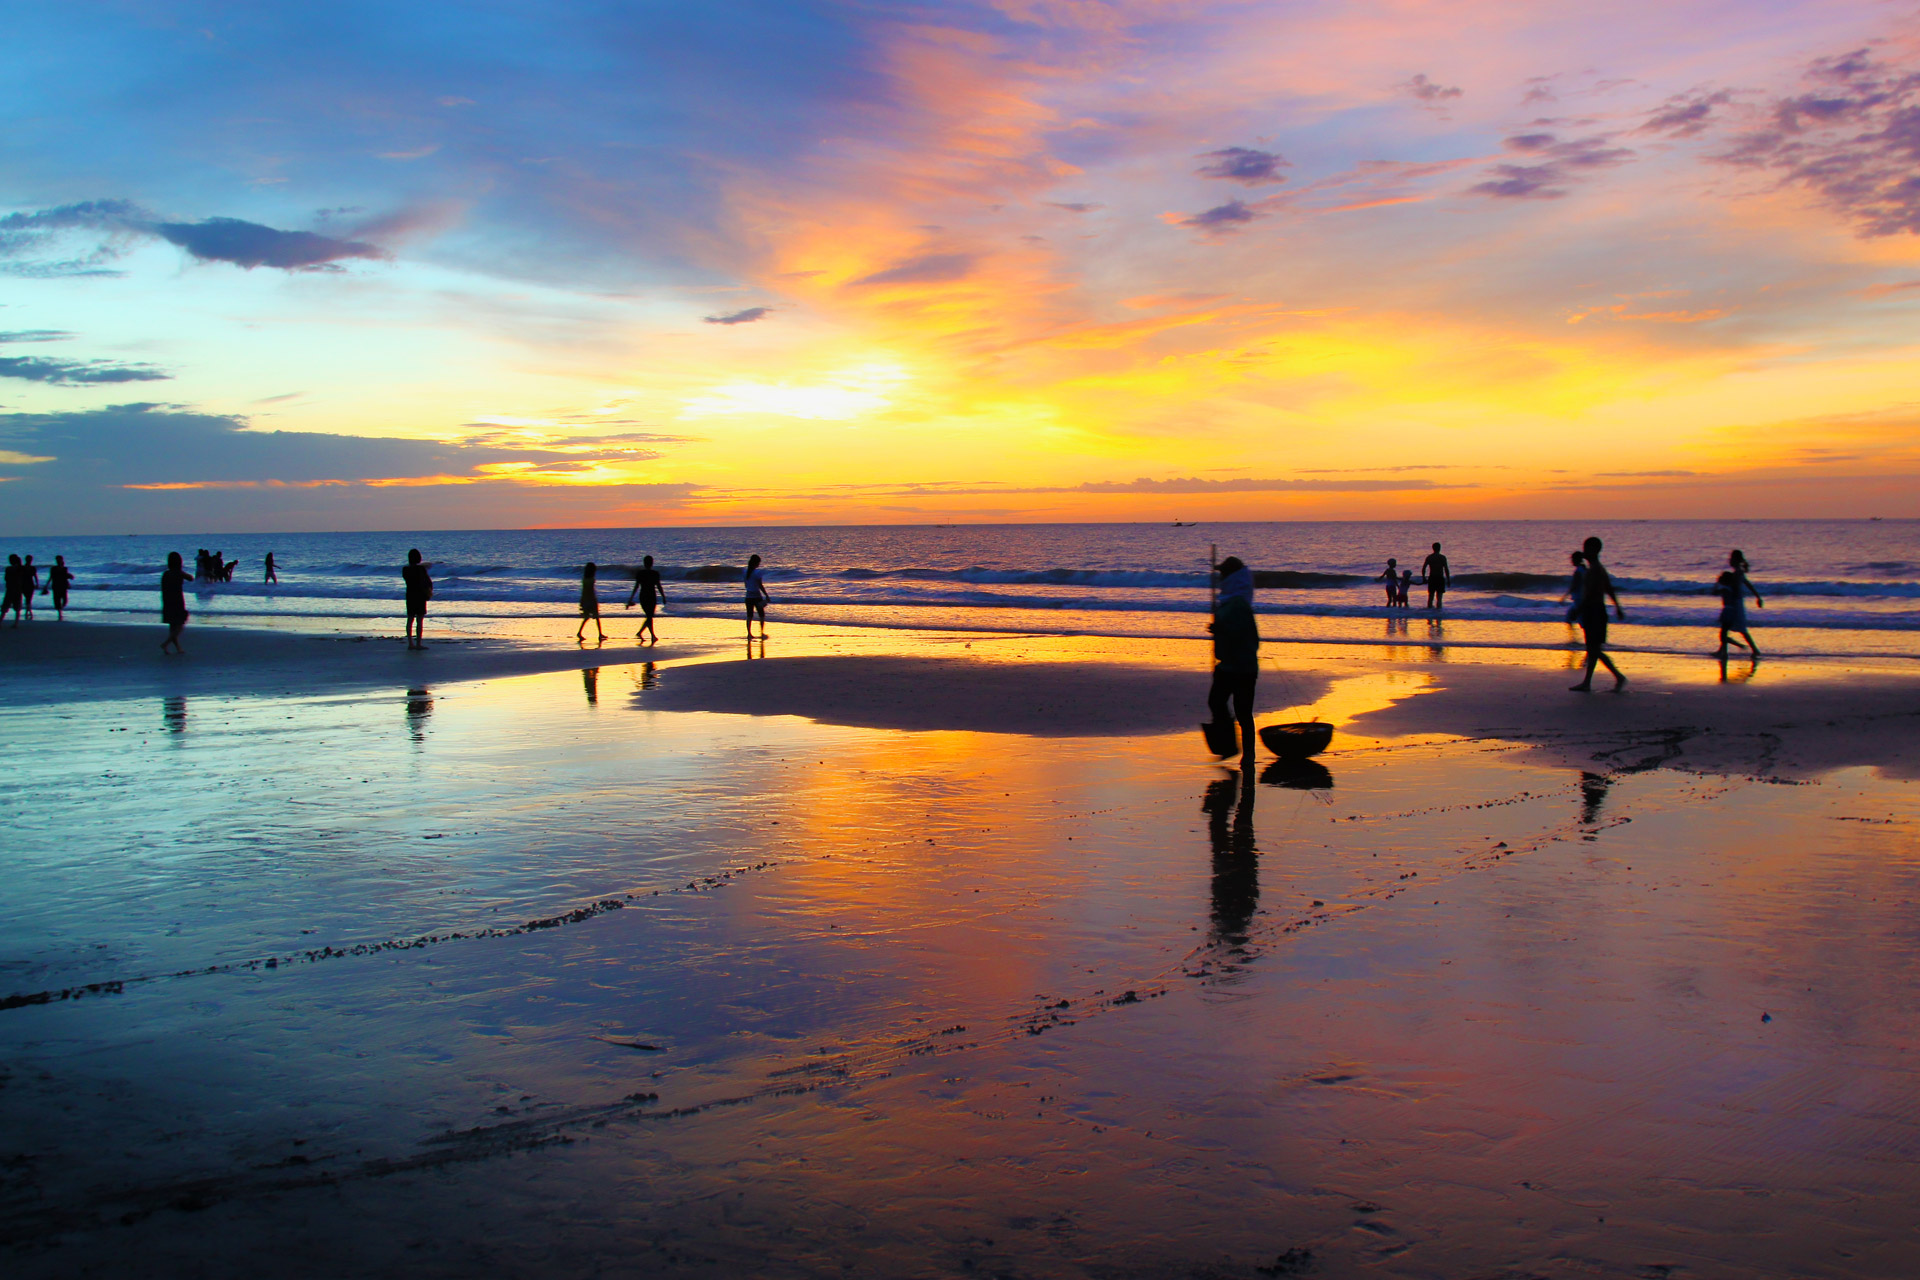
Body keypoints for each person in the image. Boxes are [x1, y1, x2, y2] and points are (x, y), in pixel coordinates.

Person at [1206, 556, 1260, 760]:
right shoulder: (1230, 602)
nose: (1220, 578)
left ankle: (1246, 754)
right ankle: (1229, 744)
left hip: (1242, 668)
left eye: (1223, 574)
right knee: (1217, 702)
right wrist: (1218, 629)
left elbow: (1242, 633)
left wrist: (1220, 628)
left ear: (1232, 577)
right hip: (1228, 665)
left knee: (1243, 712)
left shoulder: (1238, 604)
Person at [1569, 535, 1626, 692]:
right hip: (1595, 611)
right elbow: (1608, 588)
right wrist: (1617, 606)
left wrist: (1578, 611)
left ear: (1594, 550)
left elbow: (1592, 594)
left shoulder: (1595, 570)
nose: (1584, 551)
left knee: (1594, 649)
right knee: (1593, 649)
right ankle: (1587, 682)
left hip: (1593, 611)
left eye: (1587, 548)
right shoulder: (1596, 568)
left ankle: (1618, 676)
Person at [624, 554, 667, 643]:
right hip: (651, 596)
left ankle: (641, 633)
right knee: (649, 616)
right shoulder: (655, 573)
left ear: (644, 563)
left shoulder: (641, 573)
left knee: (649, 616)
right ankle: (652, 635)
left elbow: (636, 587)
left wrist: (630, 598)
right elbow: (659, 586)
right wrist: (663, 596)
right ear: (652, 563)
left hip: (643, 596)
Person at [402, 549, 434, 650]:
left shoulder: (405, 569)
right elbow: (428, 581)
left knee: (410, 619)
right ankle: (418, 643)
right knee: (419, 620)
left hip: (410, 595)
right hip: (420, 595)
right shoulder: (421, 569)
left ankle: (410, 643)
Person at [160, 551, 190, 653]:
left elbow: (163, 588)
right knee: (180, 624)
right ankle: (166, 643)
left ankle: (177, 648)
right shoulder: (179, 573)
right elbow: (191, 578)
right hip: (177, 600)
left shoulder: (166, 574)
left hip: (167, 600)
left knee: (173, 626)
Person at [576, 561, 606, 643]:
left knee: (586, 618)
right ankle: (600, 634)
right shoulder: (591, 579)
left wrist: (582, 601)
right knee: (596, 617)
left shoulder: (585, 579)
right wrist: (594, 600)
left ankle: (579, 632)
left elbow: (584, 591)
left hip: (585, 599)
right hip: (591, 599)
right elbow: (591, 591)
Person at [743, 553, 770, 638]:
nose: (759, 564)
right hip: (756, 596)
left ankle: (749, 634)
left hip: (748, 596)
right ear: (756, 563)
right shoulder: (757, 572)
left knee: (749, 615)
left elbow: (746, 584)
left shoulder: (745, 571)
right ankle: (761, 632)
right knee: (761, 615)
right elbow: (760, 585)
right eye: (758, 562)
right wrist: (766, 594)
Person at [1560, 551, 1587, 623]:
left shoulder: (1578, 571)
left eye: (1572, 559)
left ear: (1576, 559)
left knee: (1580, 619)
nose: (1571, 561)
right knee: (1569, 618)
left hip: (1579, 599)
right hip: (1580, 598)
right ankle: (1572, 634)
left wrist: (1564, 597)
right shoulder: (1584, 569)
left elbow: (1574, 585)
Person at [1421, 542, 1450, 610]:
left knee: (1431, 596)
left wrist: (1424, 578)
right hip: (1440, 578)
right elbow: (1446, 569)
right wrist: (1448, 579)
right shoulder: (1442, 557)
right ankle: (1438, 614)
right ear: (1440, 548)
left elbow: (1424, 568)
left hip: (1432, 578)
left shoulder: (1430, 557)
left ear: (1433, 548)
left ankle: (1429, 613)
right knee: (1439, 597)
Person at [47, 555, 73, 620]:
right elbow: (51, 577)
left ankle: (60, 609)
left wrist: (69, 581)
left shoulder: (64, 568)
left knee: (65, 600)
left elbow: (66, 577)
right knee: (57, 600)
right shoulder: (53, 568)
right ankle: (60, 613)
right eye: (57, 560)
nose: (58, 561)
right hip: (56, 586)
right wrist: (46, 585)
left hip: (63, 586)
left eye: (59, 559)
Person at [1, 554, 22, 627]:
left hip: (13, 589)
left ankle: (2, 621)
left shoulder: (10, 569)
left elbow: (6, 578)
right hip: (15, 589)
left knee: (6, 606)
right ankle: (16, 623)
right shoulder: (19, 568)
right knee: (16, 606)